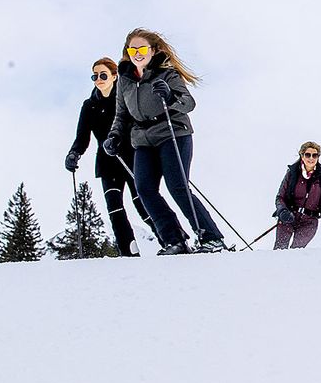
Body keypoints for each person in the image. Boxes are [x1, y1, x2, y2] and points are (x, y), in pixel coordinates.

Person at [104, 28, 226, 255]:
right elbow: (121, 114)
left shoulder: (167, 74)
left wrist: (170, 97)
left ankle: (211, 238)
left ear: (153, 50)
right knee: (144, 189)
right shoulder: (125, 80)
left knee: (177, 185)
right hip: (142, 139)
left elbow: (188, 103)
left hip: (173, 133)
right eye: (132, 49)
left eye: (141, 49)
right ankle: (174, 240)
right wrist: (114, 136)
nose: (137, 53)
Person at [65, 57, 161, 256]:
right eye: (95, 76)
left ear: (114, 76)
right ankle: (127, 249)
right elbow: (82, 137)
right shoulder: (89, 105)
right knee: (114, 207)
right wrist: (74, 153)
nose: (98, 79)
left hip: (131, 156)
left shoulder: (124, 97)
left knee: (142, 202)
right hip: (107, 161)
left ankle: (168, 239)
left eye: (103, 75)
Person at [272, 141, 321, 249]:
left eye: (315, 155)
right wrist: (282, 211)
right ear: (302, 156)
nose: (311, 158)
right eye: (307, 154)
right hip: (288, 217)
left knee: (296, 251)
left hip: (309, 221)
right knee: (280, 248)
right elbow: (280, 197)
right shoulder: (292, 173)